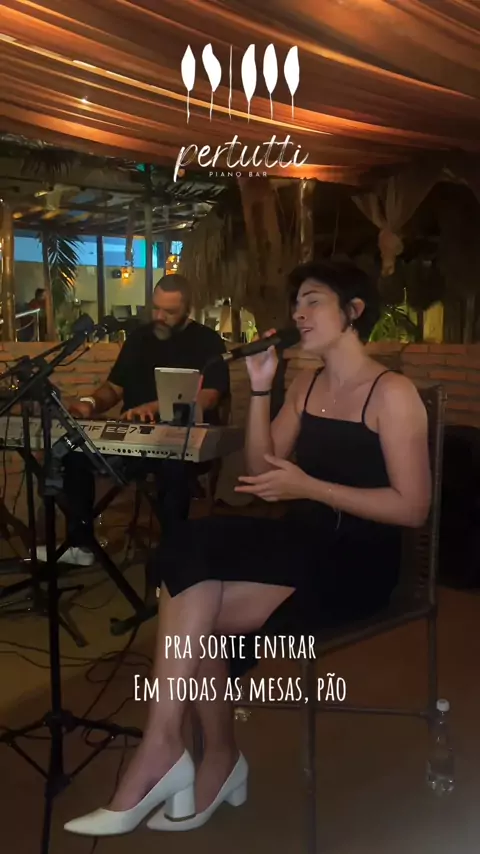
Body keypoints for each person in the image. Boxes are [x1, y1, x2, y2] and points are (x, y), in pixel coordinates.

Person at [64, 259, 431, 837]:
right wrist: (261, 388)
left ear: (354, 310)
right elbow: (258, 471)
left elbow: (413, 509)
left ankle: (203, 757)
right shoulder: (306, 385)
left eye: (313, 301)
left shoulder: (394, 393)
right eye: (296, 303)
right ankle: (172, 747)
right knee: (191, 545)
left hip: (359, 559)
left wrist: (310, 487)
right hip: (303, 535)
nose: (298, 314)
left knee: (195, 607)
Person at [36, 274, 230, 566]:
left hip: (183, 441)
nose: (160, 317)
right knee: (73, 452)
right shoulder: (139, 338)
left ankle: (174, 556)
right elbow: (114, 389)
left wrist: (157, 407)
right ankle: (82, 544)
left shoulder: (207, 341)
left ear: (188, 309)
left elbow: (211, 396)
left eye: (169, 311)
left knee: (173, 467)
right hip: (134, 438)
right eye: (156, 308)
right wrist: (91, 403)